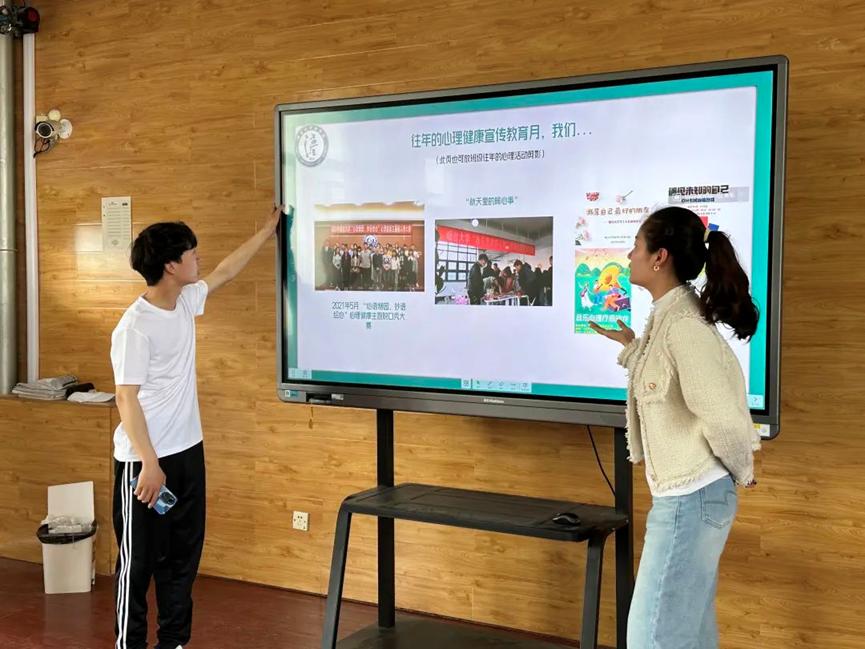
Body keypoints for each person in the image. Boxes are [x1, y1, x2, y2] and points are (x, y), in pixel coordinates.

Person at [110, 205, 282, 649]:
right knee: (138, 564)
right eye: (191, 252)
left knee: (183, 559)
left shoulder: (185, 301)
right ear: (171, 265)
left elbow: (226, 271)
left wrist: (267, 231)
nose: (198, 258)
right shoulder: (134, 327)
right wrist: (149, 463)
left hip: (187, 452)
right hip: (144, 465)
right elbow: (126, 398)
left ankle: (174, 642)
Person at [589, 206, 760, 649]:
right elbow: (668, 384)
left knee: (652, 638)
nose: (629, 255)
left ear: (659, 257)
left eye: (636, 246)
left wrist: (742, 470)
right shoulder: (669, 317)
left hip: (691, 498)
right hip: (686, 498)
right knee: (688, 635)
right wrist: (633, 348)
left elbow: (724, 416)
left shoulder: (683, 325)